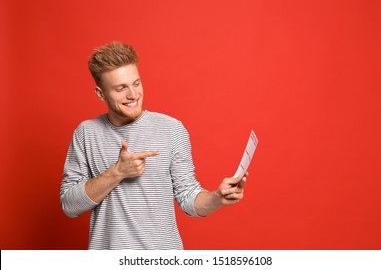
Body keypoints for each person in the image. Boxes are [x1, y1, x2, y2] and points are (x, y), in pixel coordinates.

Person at [60, 41, 247, 250]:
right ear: (100, 93)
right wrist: (117, 172)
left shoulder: (171, 129)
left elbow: (187, 196)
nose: (133, 95)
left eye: (136, 83)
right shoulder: (86, 133)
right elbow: (69, 205)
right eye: (121, 88)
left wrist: (217, 198)